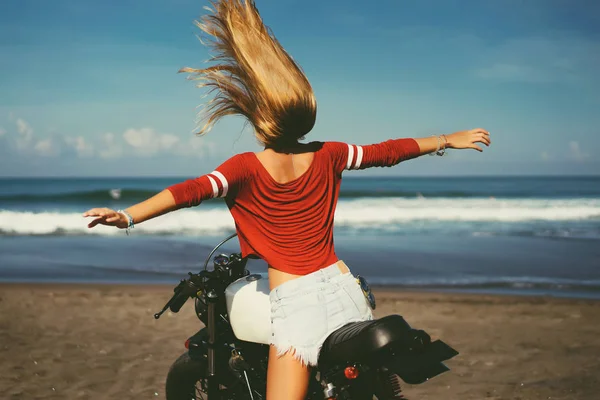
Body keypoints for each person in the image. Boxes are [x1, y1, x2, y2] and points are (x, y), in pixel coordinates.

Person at [83, 1, 491, 398]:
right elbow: (386, 151)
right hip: (347, 290)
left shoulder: (243, 167)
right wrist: (445, 140)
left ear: (259, 115)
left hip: (299, 306)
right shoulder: (328, 153)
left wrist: (126, 216)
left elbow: (188, 192)